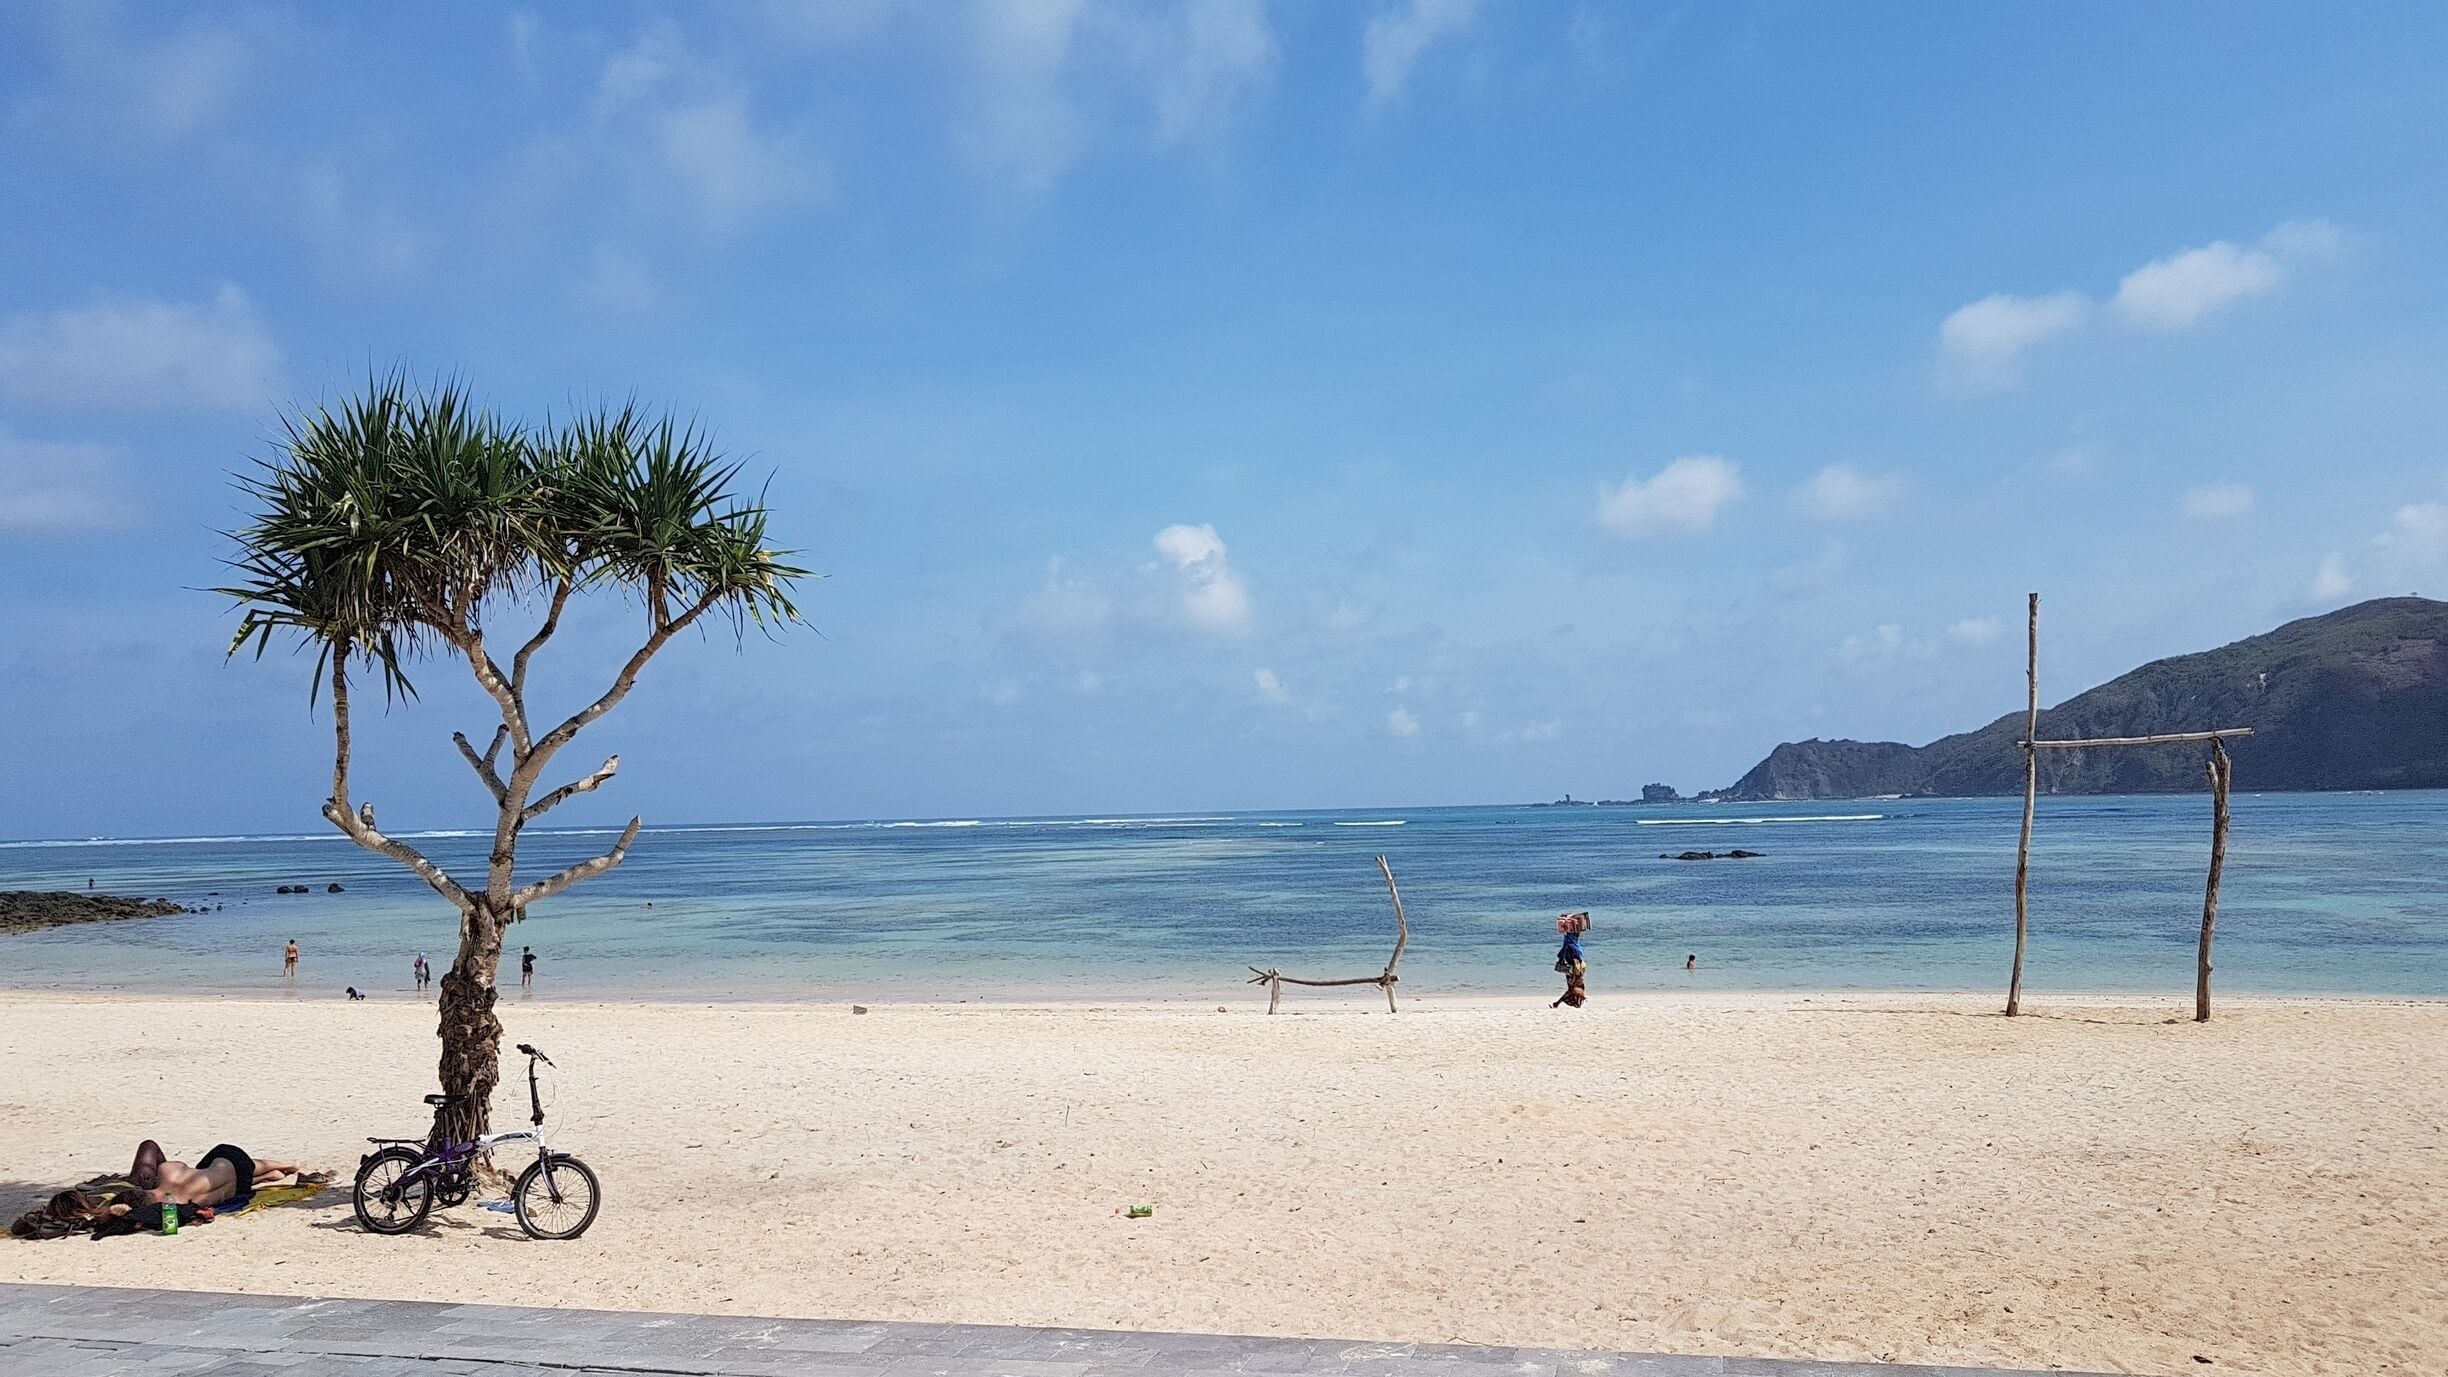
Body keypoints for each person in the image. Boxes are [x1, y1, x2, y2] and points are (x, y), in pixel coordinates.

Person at [129, 1140, 304, 1209]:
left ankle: (267, 1177)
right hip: (230, 1161)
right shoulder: (167, 1172)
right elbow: (150, 1147)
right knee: (231, 1165)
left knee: (232, 1178)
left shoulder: (181, 1206)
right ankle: (287, 1165)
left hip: (237, 1188)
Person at [1551, 915, 1588, 1009]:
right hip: (1575, 965)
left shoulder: (1571, 943)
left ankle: (1557, 1003)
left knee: (1571, 988)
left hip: (1574, 965)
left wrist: (1560, 958)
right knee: (1572, 988)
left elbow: (1565, 950)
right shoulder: (1574, 944)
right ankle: (1557, 1003)